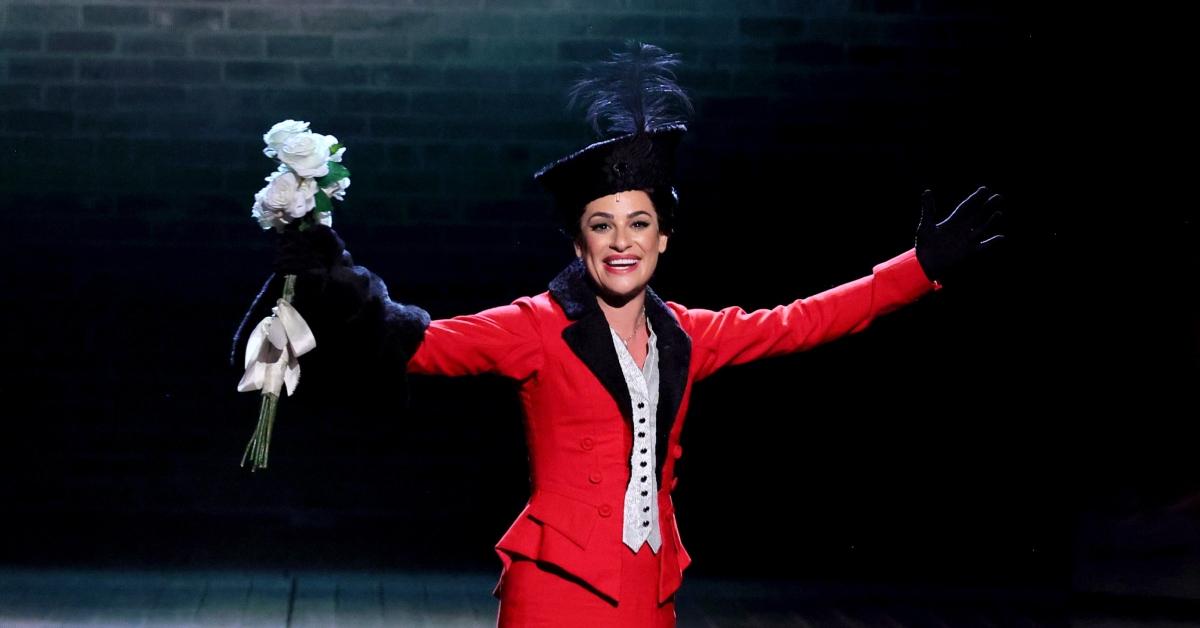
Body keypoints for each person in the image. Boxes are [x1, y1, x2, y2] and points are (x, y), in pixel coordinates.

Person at [271, 42, 1003, 627]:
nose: (621, 241)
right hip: (554, 590)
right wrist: (329, 269)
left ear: (663, 239)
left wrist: (917, 270)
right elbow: (419, 342)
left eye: (639, 223)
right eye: (602, 224)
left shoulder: (691, 333)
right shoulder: (535, 327)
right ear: (579, 242)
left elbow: (798, 323)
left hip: (649, 591)